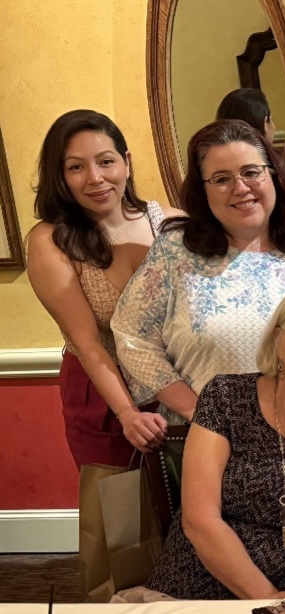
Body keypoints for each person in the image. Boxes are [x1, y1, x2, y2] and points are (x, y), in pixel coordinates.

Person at [111, 120, 285, 424]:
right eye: (222, 179)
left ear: (273, 175)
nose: (241, 188)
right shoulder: (175, 252)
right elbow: (133, 337)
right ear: (203, 190)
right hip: (201, 437)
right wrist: (200, 413)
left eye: (251, 172)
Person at [26, 109, 182, 603]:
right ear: (60, 175)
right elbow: (89, 343)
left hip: (177, 388)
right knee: (122, 526)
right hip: (104, 395)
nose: (95, 178)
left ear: (127, 162)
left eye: (106, 161)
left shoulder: (169, 222)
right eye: (76, 167)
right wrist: (127, 413)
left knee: (189, 514)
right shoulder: (50, 239)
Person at [141, 284, 285, 599]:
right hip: (199, 590)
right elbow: (200, 520)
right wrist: (269, 602)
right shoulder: (226, 397)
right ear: (278, 339)